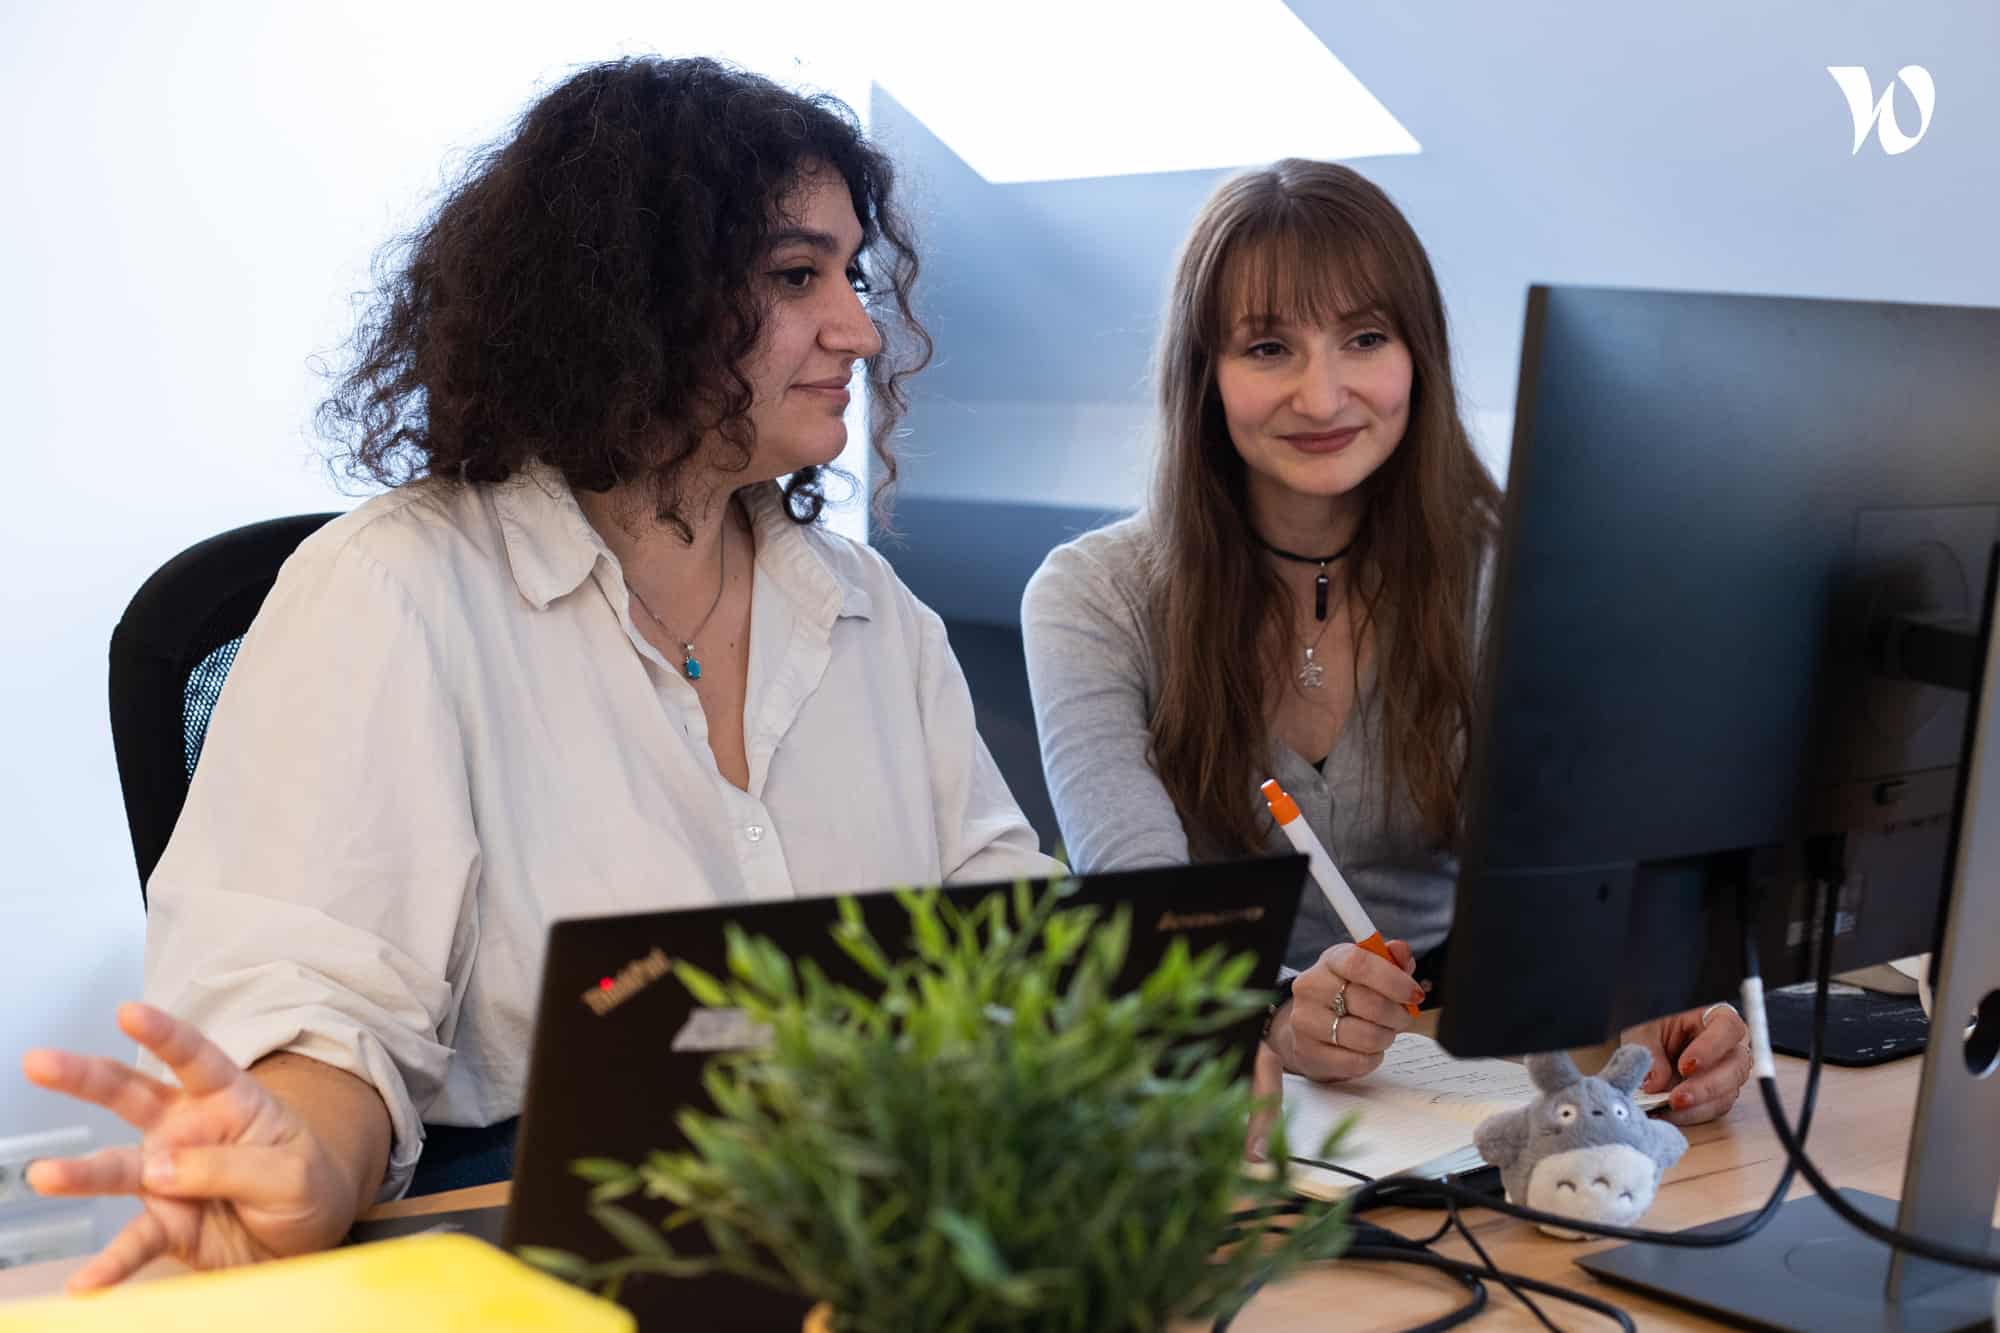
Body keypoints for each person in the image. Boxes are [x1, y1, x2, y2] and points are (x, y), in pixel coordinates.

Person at [22, 56, 1057, 1291]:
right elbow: (314, 1009)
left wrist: (1165, 1041)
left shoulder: (866, 607)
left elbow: (1014, 940)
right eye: (795, 277)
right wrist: (296, 1151)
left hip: (883, 1254)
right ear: (633, 299)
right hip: (557, 1274)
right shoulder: (393, 590)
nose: (858, 327)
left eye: (852, 272)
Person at [1022, 158, 1751, 1122]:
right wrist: (1275, 1006)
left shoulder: (1514, 572)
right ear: (1205, 377)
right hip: (1231, 1053)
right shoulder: (1091, 596)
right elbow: (1139, 909)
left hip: (1467, 1053)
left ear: (1420, 357)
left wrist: (1667, 995)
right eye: (1268, 348)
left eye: (1364, 338)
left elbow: (1604, 872)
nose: (1323, 398)